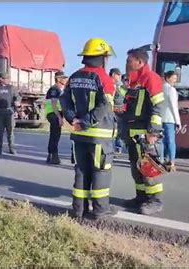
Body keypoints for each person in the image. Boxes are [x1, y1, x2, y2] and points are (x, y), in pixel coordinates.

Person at [60, 38, 116, 220]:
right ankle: (100, 210)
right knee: (101, 172)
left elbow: (64, 100)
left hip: (79, 135)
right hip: (99, 136)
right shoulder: (104, 79)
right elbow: (105, 106)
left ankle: (78, 210)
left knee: (81, 171)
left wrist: (73, 119)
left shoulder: (74, 77)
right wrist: (86, 121)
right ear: (102, 58)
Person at [122, 48, 165, 215]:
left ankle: (155, 200)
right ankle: (141, 197)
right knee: (136, 168)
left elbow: (158, 106)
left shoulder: (150, 78)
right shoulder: (134, 81)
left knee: (149, 168)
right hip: (133, 133)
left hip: (145, 134)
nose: (127, 64)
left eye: (129, 61)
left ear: (139, 62)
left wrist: (153, 132)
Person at [0, 72, 21, 155]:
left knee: (10, 131)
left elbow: (18, 96)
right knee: (0, 131)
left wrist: (17, 101)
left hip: (9, 112)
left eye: (8, 78)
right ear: (1, 79)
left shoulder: (11, 88)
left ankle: (11, 148)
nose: (8, 80)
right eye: (6, 78)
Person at [45, 71, 68, 164]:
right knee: (55, 136)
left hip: (55, 114)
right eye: (63, 78)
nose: (65, 80)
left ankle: (50, 155)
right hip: (54, 114)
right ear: (58, 79)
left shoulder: (59, 89)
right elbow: (54, 104)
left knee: (54, 135)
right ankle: (54, 156)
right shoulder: (54, 89)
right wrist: (59, 117)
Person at [161, 71, 181, 172]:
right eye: (173, 78)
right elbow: (174, 107)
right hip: (170, 119)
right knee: (171, 142)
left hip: (160, 118)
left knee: (161, 141)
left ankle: (160, 161)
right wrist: (178, 121)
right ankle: (171, 162)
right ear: (167, 78)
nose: (175, 81)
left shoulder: (160, 88)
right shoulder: (171, 90)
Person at [109, 68, 126, 155]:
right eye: (118, 75)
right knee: (110, 130)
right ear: (113, 75)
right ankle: (109, 148)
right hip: (110, 111)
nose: (120, 77)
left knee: (120, 130)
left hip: (120, 112)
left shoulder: (121, 86)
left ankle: (118, 147)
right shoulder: (108, 84)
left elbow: (125, 96)